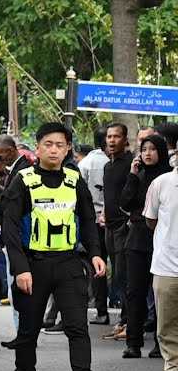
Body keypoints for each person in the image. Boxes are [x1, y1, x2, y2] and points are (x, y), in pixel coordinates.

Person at [3, 122, 107, 371]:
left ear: (68, 149)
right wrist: (20, 268)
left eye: (60, 145)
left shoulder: (74, 180)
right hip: (33, 265)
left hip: (68, 263)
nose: (53, 149)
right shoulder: (23, 180)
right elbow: (10, 229)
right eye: (48, 144)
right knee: (28, 332)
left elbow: (87, 220)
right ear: (37, 147)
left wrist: (95, 253)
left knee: (78, 329)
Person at [120, 134, 168, 358]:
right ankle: (133, 342)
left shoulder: (168, 179)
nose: (148, 153)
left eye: (153, 149)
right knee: (134, 293)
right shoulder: (137, 176)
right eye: (144, 149)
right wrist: (131, 175)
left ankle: (161, 345)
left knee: (160, 294)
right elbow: (126, 203)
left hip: (162, 241)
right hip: (137, 240)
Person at [144, 156, 178, 371]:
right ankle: (173, 368)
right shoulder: (161, 183)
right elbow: (151, 219)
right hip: (167, 264)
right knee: (166, 321)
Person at [102, 122, 133, 337]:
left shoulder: (131, 164)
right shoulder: (107, 165)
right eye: (109, 136)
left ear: (125, 140)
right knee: (116, 277)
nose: (112, 140)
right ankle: (123, 320)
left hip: (125, 227)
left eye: (116, 137)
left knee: (124, 276)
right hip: (109, 226)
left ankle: (127, 322)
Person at [79, 127, 111, 324]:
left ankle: (101, 311)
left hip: (92, 221)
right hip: (109, 221)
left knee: (96, 266)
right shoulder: (110, 162)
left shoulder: (85, 163)